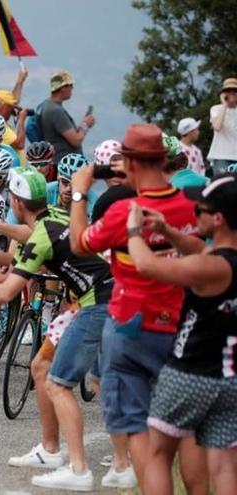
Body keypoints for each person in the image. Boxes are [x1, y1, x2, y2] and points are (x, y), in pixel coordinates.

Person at [0, 167, 116, 491]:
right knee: (42, 367)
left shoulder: (40, 237)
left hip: (98, 305)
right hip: (104, 297)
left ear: (17, 202)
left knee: (59, 383)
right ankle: (52, 451)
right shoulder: (55, 218)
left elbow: (6, 289)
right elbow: (20, 245)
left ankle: (79, 470)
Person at [69, 123, 203, 493]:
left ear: (127, 162)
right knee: (187, 426)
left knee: (139, 428)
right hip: (181, 326)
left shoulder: (126, 210)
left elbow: (81, 244)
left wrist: (80, 194)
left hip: (131, 326)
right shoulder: (189, 206)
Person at [127, 175, 237, 494]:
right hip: (229, 379)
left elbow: (148, 266)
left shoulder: (213, 269)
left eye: (199, 210)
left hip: (190, 372)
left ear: (217, 219)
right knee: (225, 464)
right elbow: (200, 249)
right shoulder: (223, 260)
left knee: (158, 455)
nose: (194, 215)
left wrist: (134, 231)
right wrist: (166, 231)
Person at [39, 70, 95, 164]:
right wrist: (85, 125)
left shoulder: (47, 106)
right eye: (70, 85)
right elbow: (76, 140)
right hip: (64, 163)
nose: (72, 88)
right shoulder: (56, 111)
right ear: (63, 88)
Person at [208, 78, 237, 175]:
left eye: (234, 91)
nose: (232, 93)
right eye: (228, 91)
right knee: (223, 186)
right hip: (221, 156)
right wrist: (225, 105)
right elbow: (217, 126)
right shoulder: (216, 109)